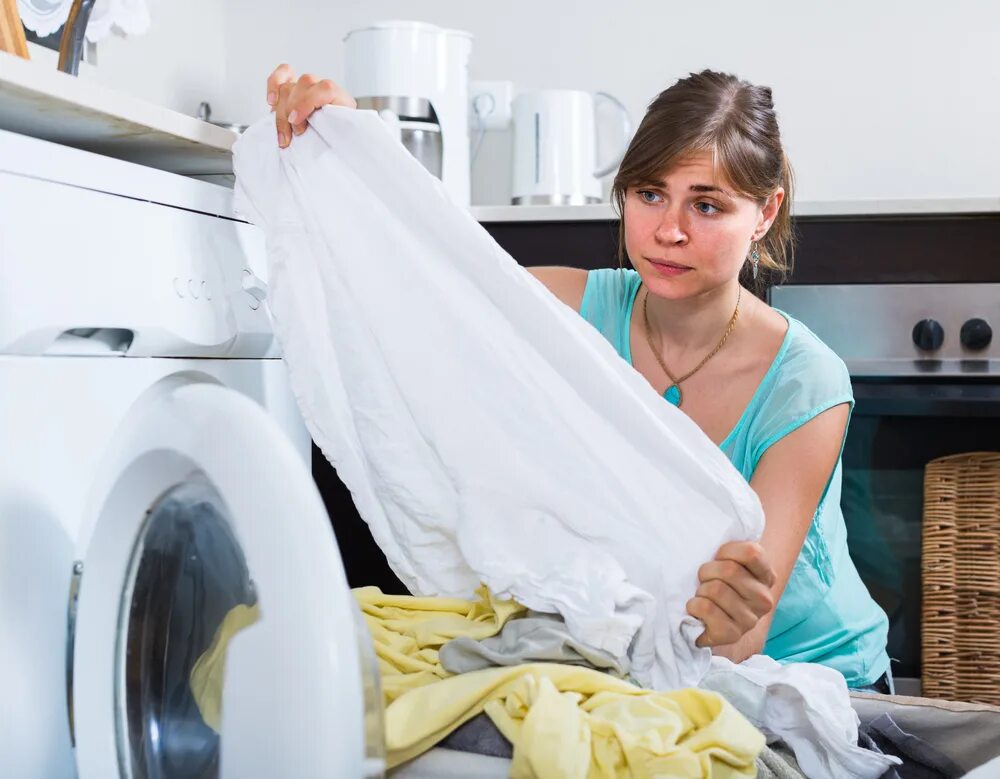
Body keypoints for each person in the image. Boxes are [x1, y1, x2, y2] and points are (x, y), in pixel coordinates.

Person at [262, 65, 891, 691]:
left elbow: (742, 638)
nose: (668, 231)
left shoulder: (804, 384)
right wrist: (347, 143)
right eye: (649, 195)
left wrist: (728, 609)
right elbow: (419, 277)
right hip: (637, 665)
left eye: (706, 204)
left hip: (815, 680)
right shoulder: (568, 312)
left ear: (764, 212)